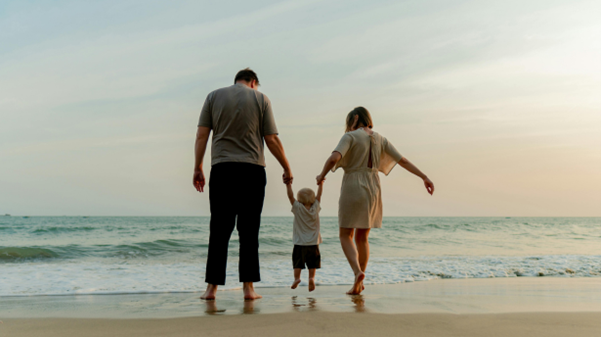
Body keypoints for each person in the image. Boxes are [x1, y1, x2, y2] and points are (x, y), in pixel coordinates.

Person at [193, 68, 293, 300]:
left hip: (222, 169)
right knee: (249, 231)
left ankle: (211, 289)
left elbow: (201, 135)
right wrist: (286, 166)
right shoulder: (261, 98)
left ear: (236, 80)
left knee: (219, 230)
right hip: (252, 171)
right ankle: (248, 288)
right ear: (253, 82)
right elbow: (271, 139)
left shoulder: (213, 96)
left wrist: (197, 166)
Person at [316, 107, 434, 295]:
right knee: (363, 237)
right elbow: (402, 160)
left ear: (355, 118)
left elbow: (334, 158)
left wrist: (321, 175)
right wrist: (424, 177)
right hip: (373, 187)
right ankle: (358, 285)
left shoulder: (350, 136)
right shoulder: (380, 139)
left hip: (353, 185)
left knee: (345, 235)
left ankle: (357, 272)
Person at [286, 181, 323, 292]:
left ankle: (297, 278)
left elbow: (290, 196)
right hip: (313, 243)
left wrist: (288, 185)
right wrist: (321, 184)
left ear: (298, 200)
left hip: (299, 243)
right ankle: (311, 277)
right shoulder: (316, 207)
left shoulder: (297, 208)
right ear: (313, 199)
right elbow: (319, 195)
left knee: (297, 263)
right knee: (312, 263)